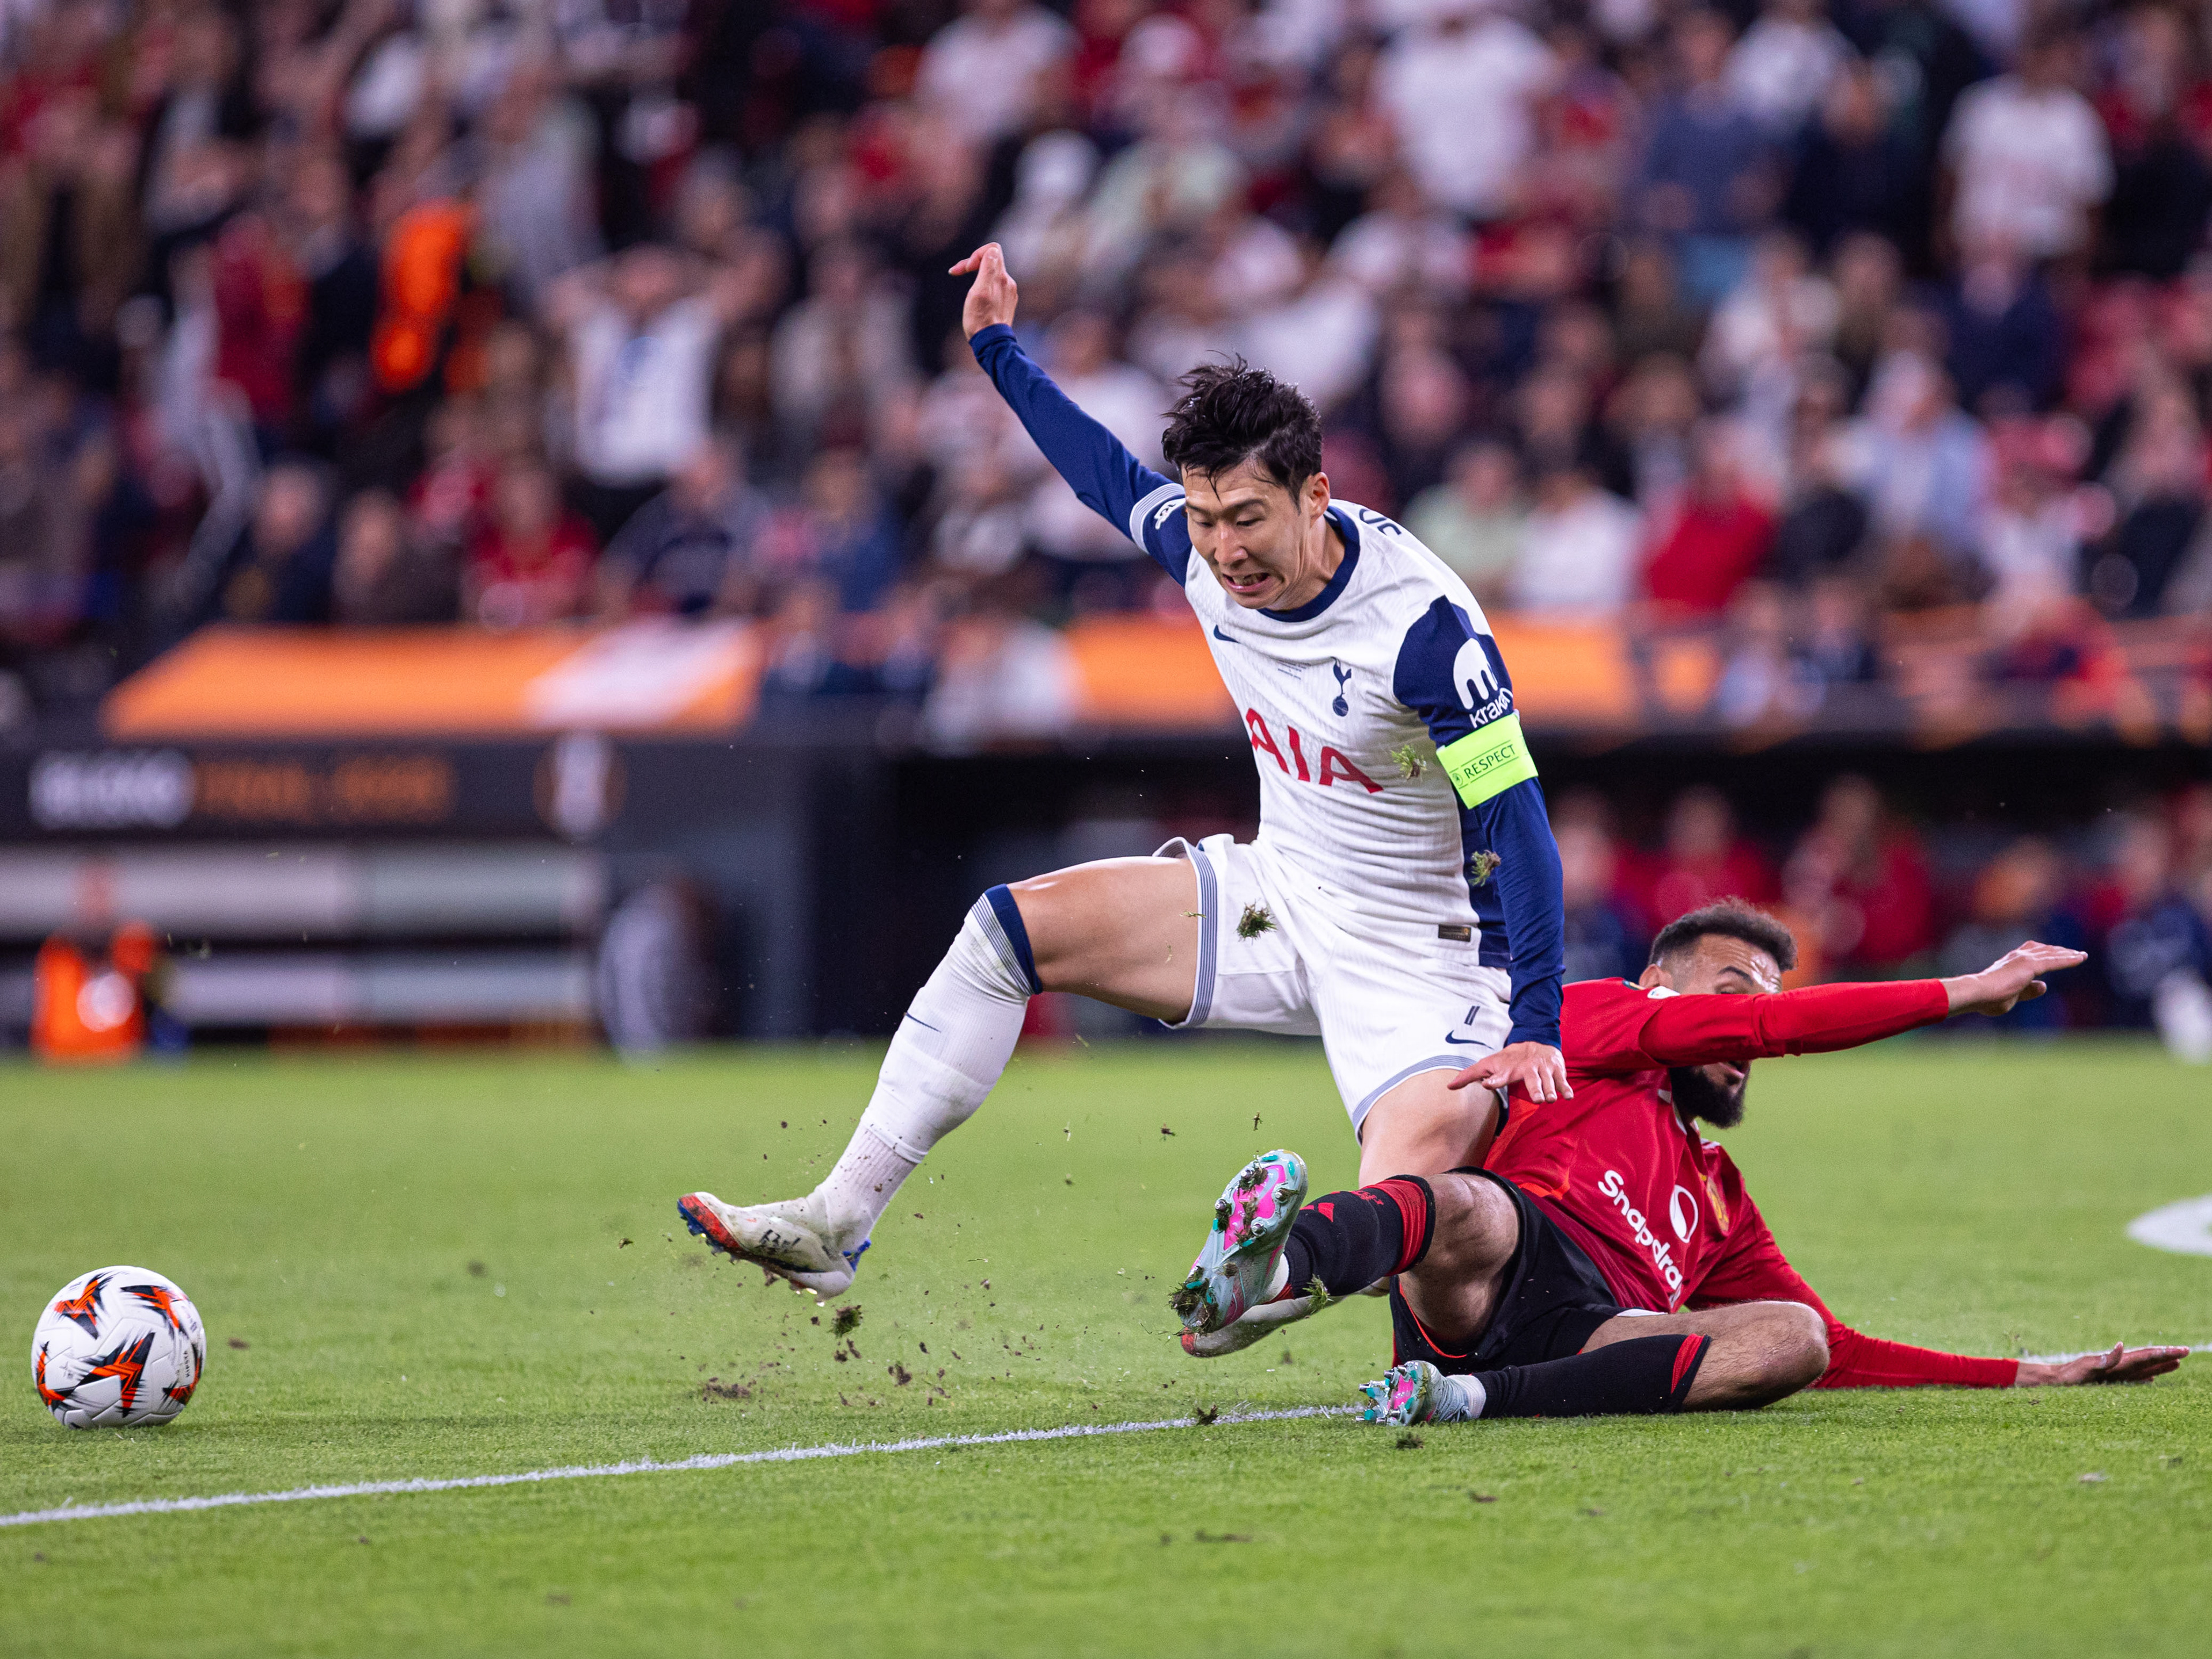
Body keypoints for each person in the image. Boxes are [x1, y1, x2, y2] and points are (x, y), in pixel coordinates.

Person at [679, 241, 1570, 1307]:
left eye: (1247, 519)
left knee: (1409, 1248)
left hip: (1426, 961)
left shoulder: (1425, 632)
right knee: (1004, 933)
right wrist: (997, 347)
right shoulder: (1202, 554)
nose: (1224, 551)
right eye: (1205, 519)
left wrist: (1535, 1023)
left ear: (1316, 495)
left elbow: (1518, 822)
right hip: (1278, 897)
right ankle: (837, 1221)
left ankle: (1270, 1289)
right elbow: (1096, 468)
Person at [1172, 902, 2187, 1420]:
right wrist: (1962, 992)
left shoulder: (1718, 1197)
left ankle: (1469, 1401)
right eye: (1732, 991)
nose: (1747, 1025)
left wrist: (2031, 1373)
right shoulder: (1604, 1019)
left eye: (1762, 1000)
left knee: (1793, 1339)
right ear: (1661, 984)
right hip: (1494, 1269)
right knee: (1473, 1206)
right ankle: (1268, 1272)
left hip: (1590, 1339)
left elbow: (1840, 1349)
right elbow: (1774, 1027)